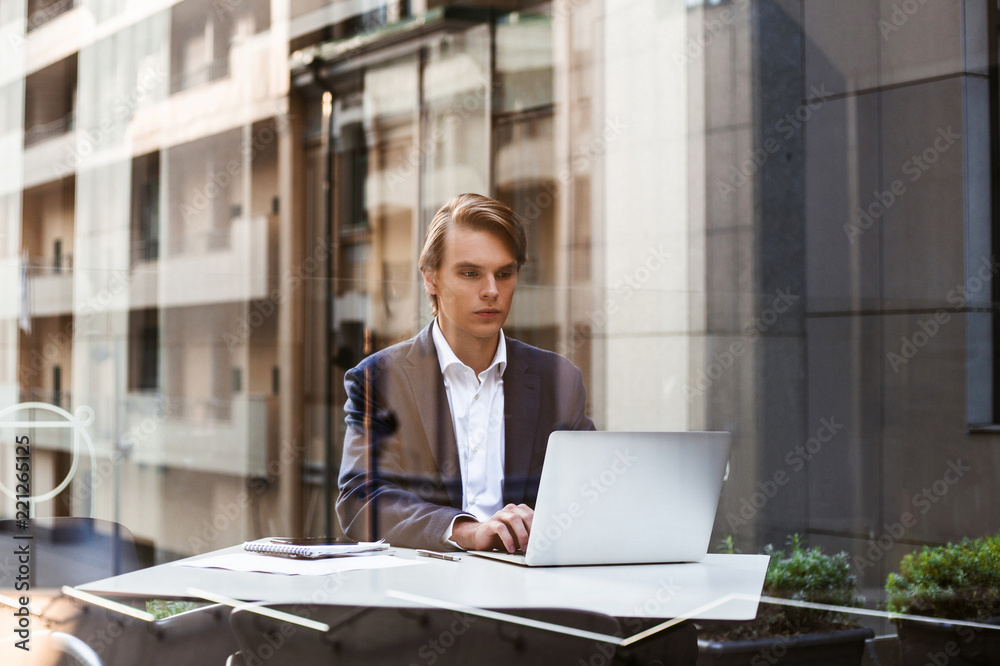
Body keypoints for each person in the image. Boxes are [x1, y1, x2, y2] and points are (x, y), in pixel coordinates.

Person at [337, 193, 594, 552]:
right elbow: (360, 500)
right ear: (431, 279)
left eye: (504, 274)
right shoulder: (381, 379)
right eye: (470, 273)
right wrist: (465, 531)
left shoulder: (558, 379)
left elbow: (591, 492)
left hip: (529, 586)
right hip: (425, 592)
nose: (491, 291)